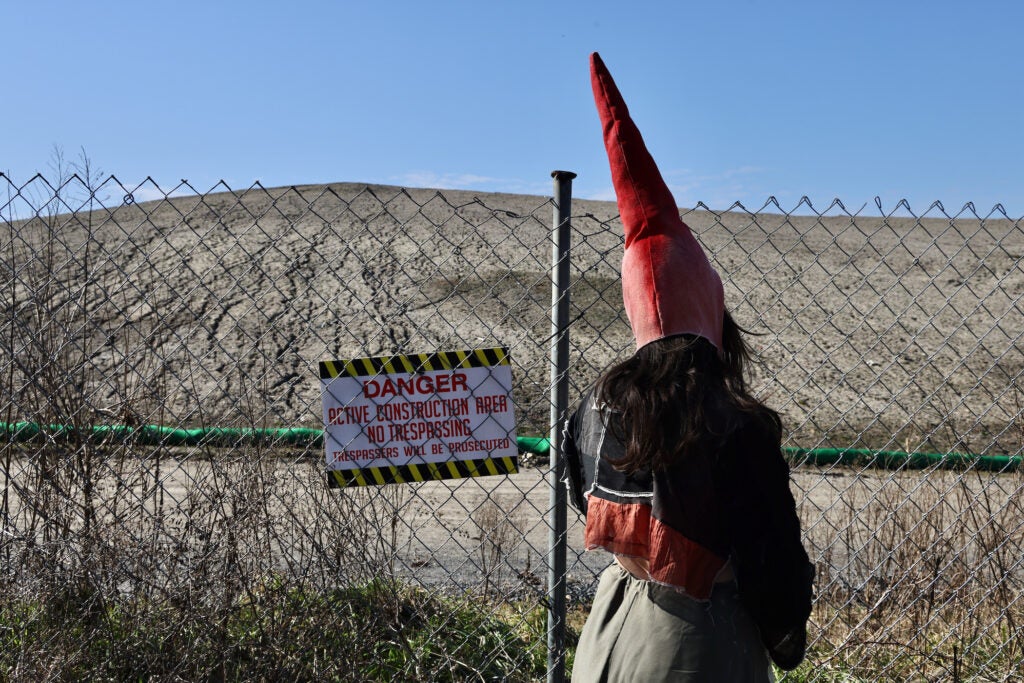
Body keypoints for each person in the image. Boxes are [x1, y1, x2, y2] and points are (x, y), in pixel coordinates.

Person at [562, 53, 814, 682]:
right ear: (709, 303)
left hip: (609, 632)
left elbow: (579, 495)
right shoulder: (733, 425)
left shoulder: (593, 407)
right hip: (698, 646)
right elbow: (774, 570)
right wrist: (784, 638)